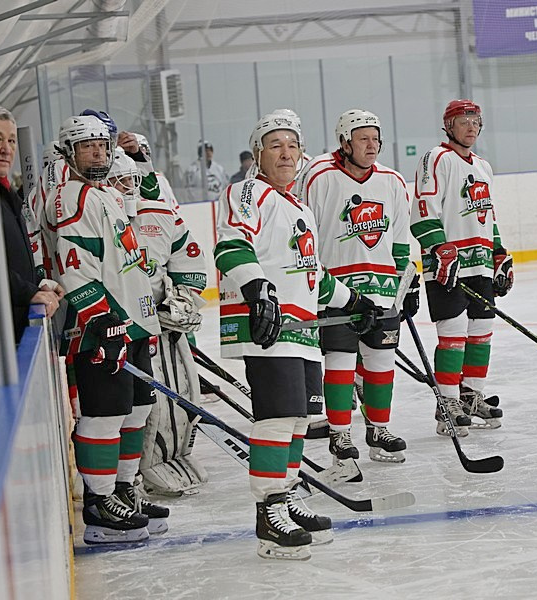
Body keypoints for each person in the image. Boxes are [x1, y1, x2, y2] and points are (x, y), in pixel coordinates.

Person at [214, 111, 382, 560]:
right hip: (270, 328)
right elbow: (231, 244)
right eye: (275, 145)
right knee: (276, 417)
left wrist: (354, 302)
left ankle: (286, 495)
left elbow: (314, 276)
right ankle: (269, 512)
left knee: (299, 420)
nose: (286, 153)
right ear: (258, 154)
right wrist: (257, 288)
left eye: (292, 145)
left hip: (302, 331)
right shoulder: (247, 192)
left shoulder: (298, 207)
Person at [38, 115, 163, 544]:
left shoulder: (106, 193)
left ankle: (124, 488)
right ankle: (99, 502)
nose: (98, 153)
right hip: (100, 326)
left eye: (103, 146)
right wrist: (102, 319)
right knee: (104, 414)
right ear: (68, 154)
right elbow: (74, 265)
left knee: (138, 408)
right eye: (87, 147)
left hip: (133, 321)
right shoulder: (68, 198)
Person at [300, 109, 414, 464]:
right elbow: (305, 234)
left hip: (382, 291)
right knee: (340, 364)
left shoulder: (392, 181)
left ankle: (379, 430)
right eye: (363, 138)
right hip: (338, 292)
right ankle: (340, 435)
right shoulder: (319, 176)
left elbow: (399, 241)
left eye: (376, 138)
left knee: (381, 364)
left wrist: (406, 287)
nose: (372, 145)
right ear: (345, 142)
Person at [106, 149, 209, 497]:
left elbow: (190, 261)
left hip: (165, 330)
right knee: (137, 406)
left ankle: (174, 454)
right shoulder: (97, 216)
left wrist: (181, 300)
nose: (126, 188)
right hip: (123, 332)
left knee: (184, 394)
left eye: (130, 180)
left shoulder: (160, 214)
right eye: (118, 181)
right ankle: (136, 470)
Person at [410, 99, 512, 435]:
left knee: (481, 332)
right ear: (448, 126)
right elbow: (423, 210)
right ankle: (447, 404)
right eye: (463, 121)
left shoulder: (483, 166)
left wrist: (498, 253)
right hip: (447, 266)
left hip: (479, 265)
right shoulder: (436, 158)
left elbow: (488, 217)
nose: (471, 127)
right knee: (453, 335)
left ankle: (470, 396)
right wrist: (439, 248)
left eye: (475, 121)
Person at [0, 105, 63, 342]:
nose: (6, 149)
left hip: (13, 328)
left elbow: (11, 260)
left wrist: (37, 284)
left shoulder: (6, 195)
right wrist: (29, 292)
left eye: (11, 141)